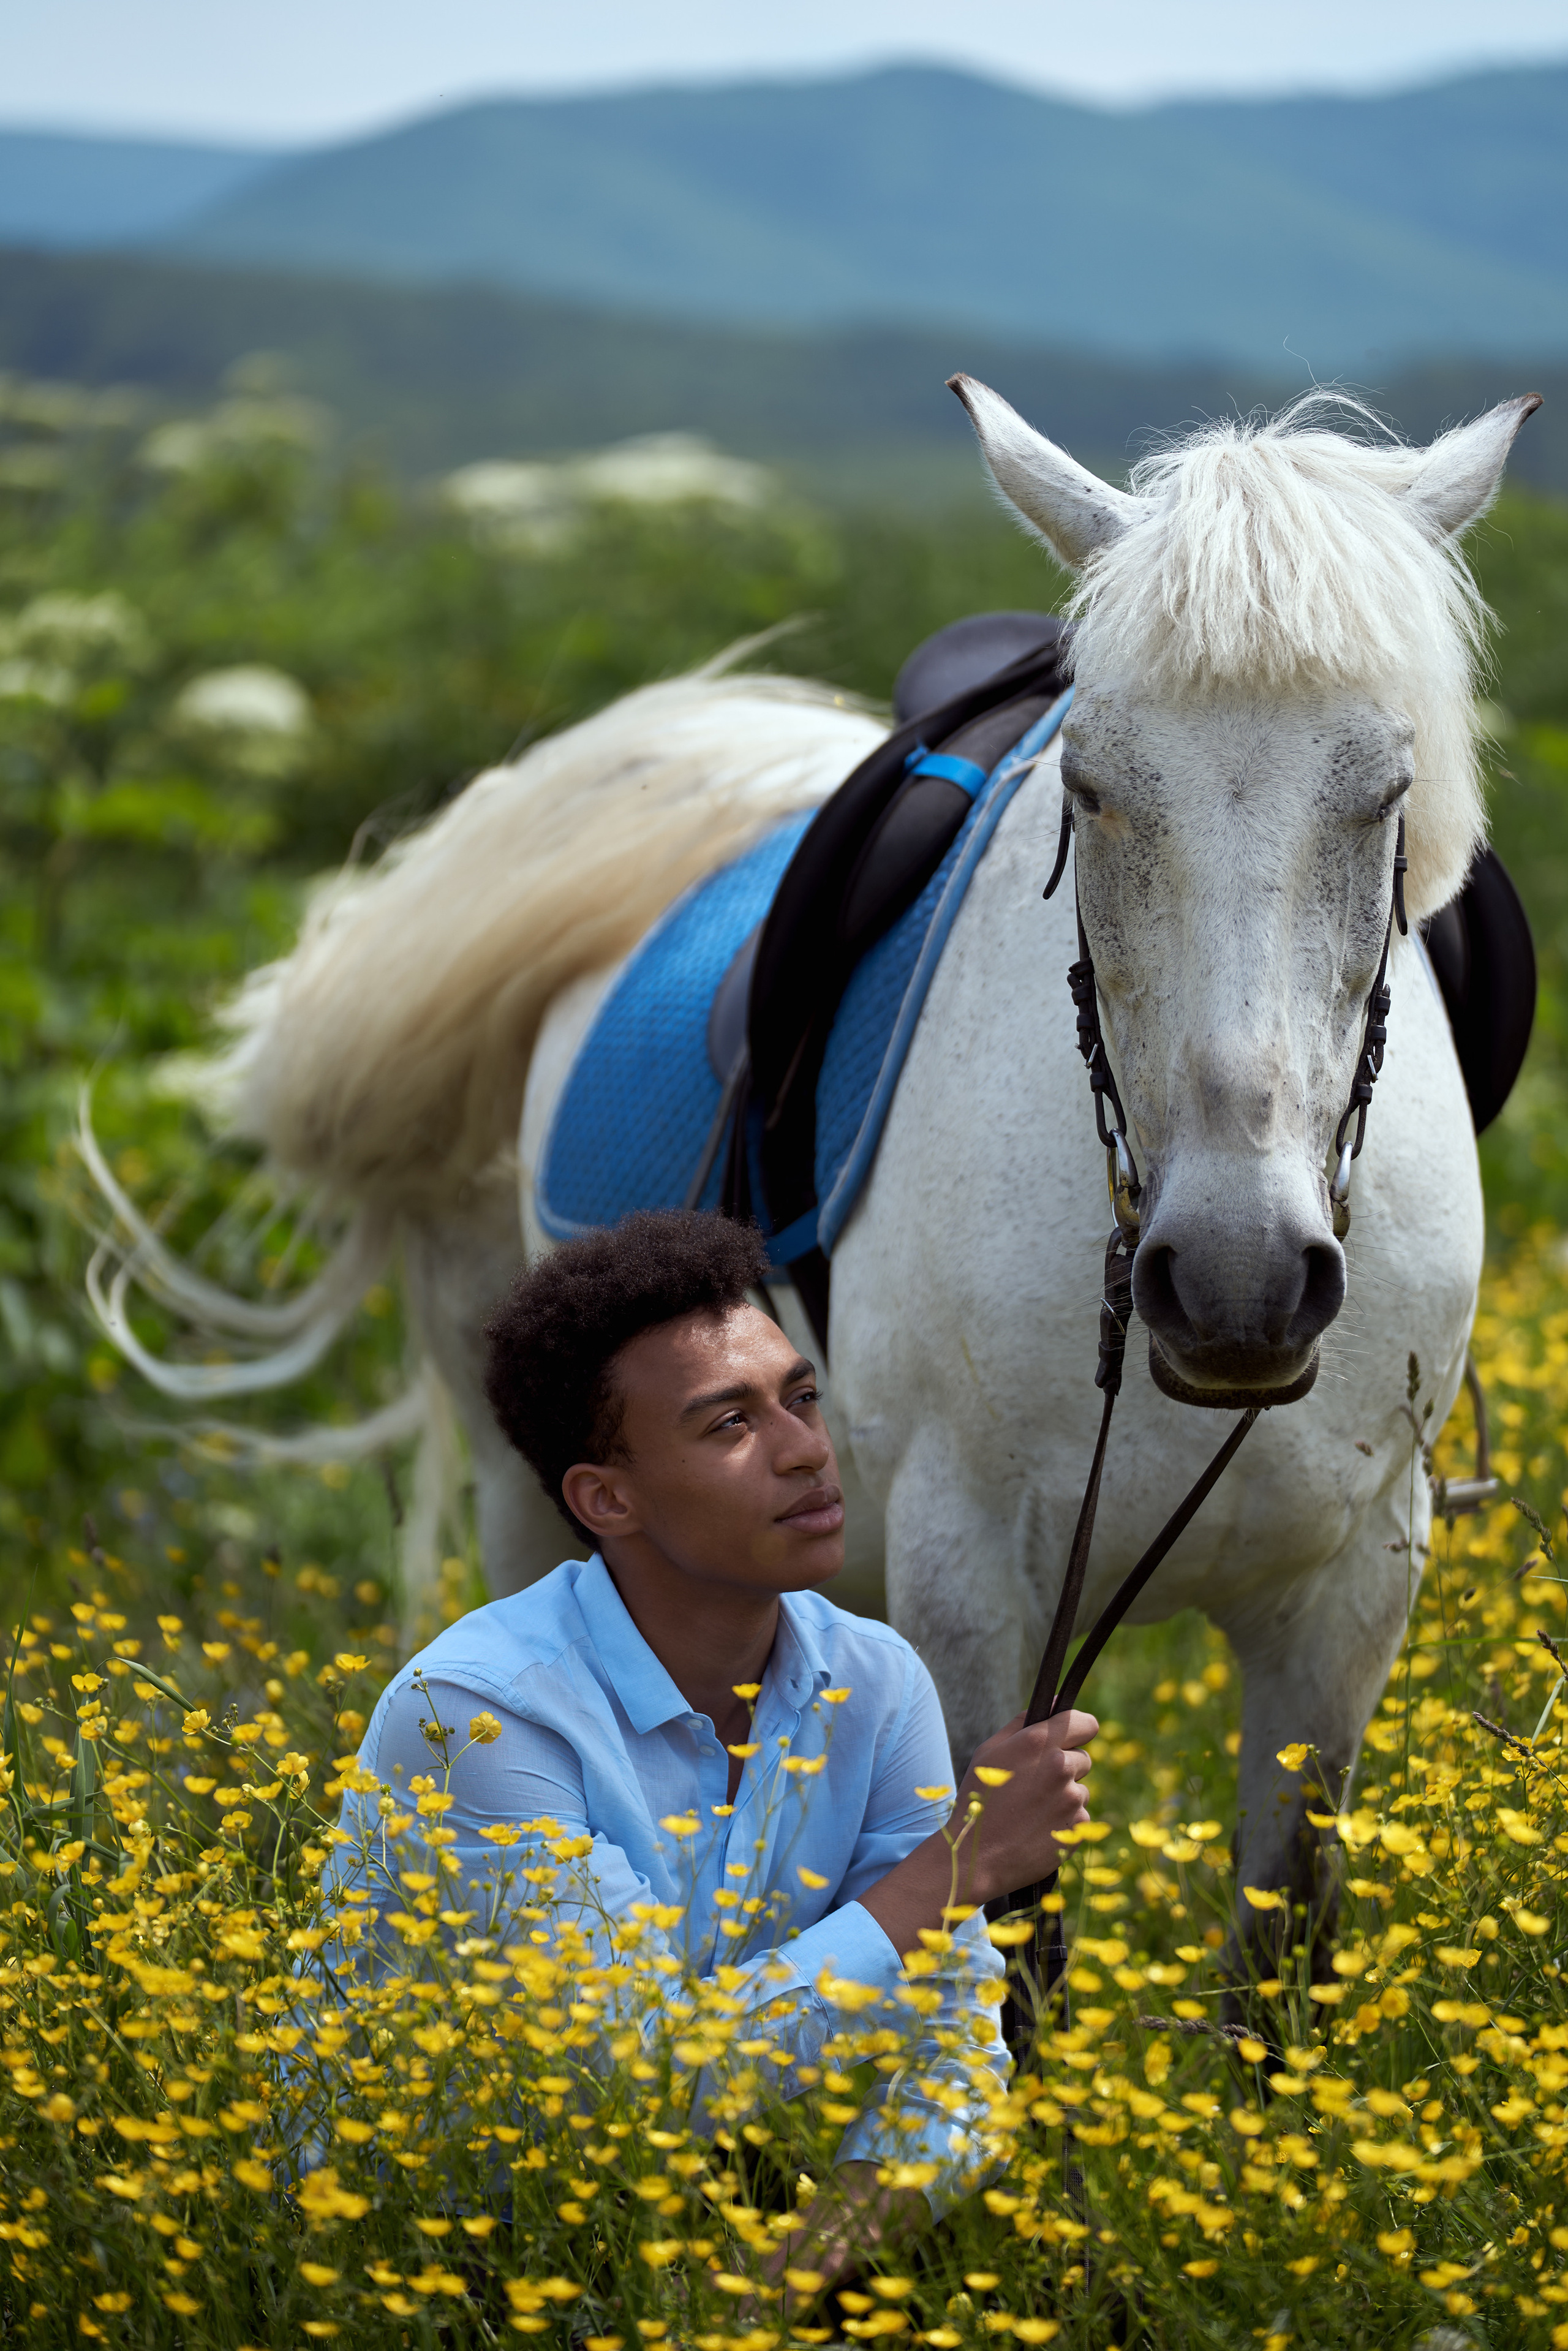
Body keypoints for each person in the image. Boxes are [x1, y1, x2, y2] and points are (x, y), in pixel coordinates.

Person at [333, 1209, 1097, 2282]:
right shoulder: (476, 1714)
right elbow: (634, 2082)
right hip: (406, 2268)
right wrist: (960, 1866)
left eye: (800, 1396)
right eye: (730, 1425)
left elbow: (953, 2059)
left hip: (708, 2251)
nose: (806, 1450)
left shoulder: (874, 1683)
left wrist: (764, 2300)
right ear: (608, 1498)